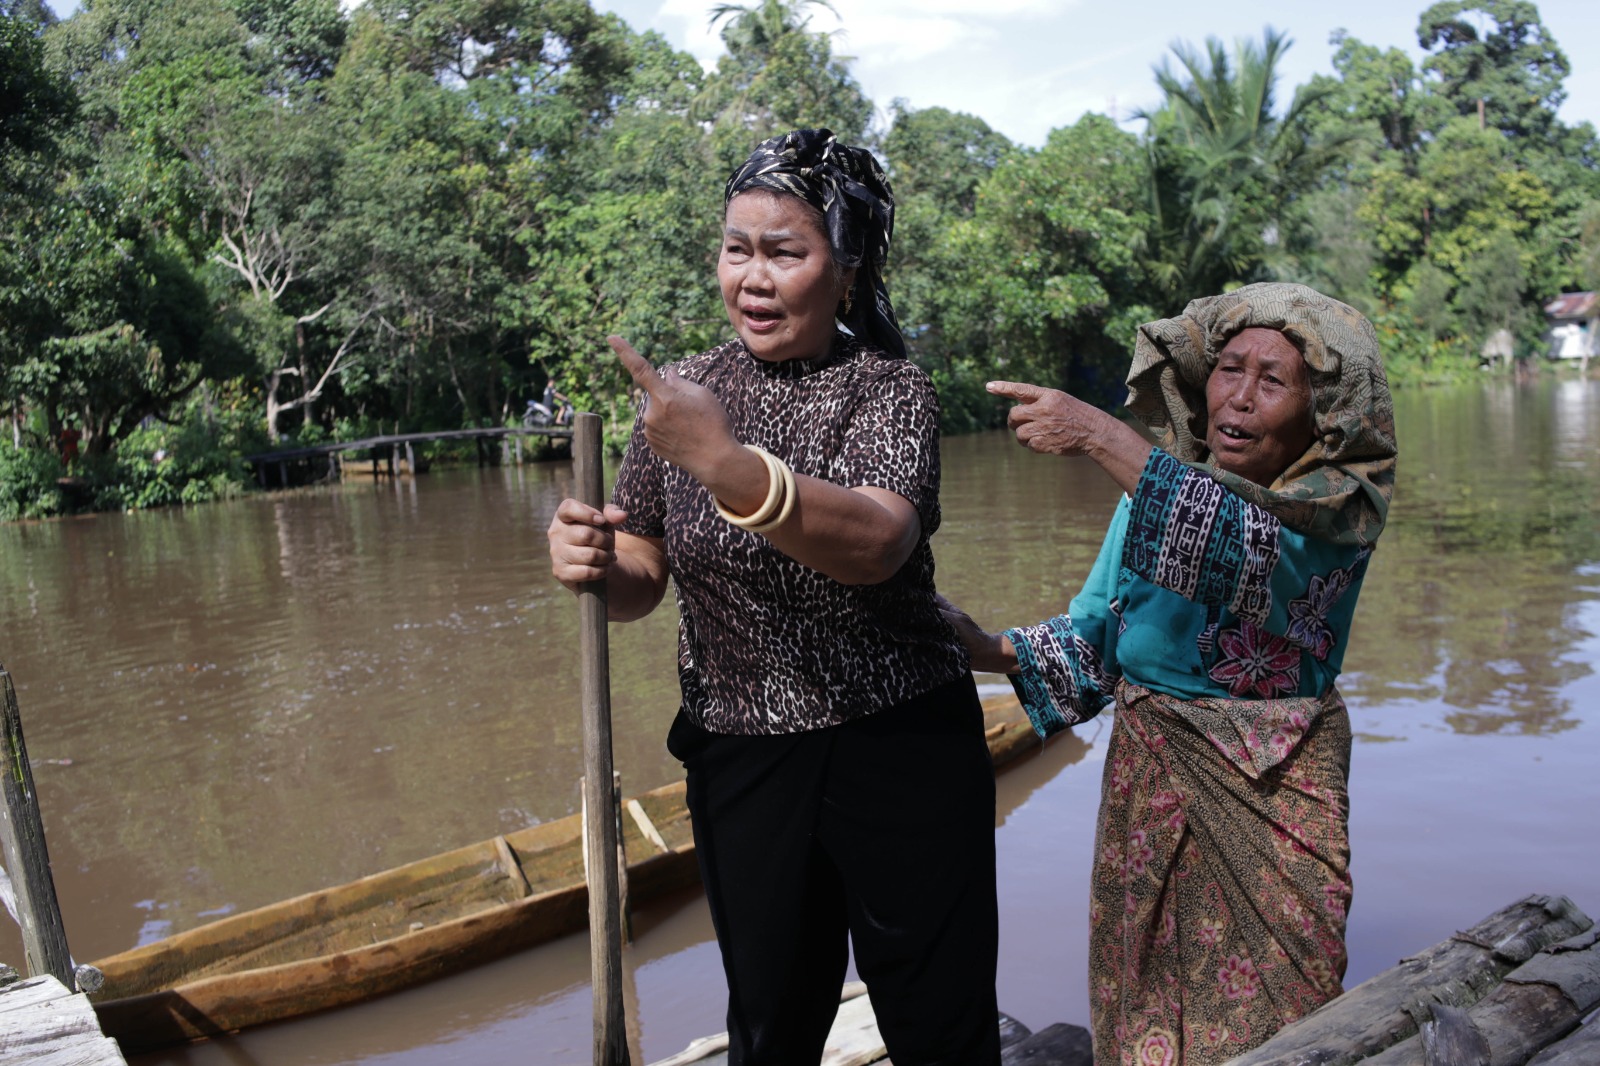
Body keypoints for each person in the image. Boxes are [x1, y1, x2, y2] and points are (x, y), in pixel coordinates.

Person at [547, 129, 999, 1066]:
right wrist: (593, 559)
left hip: (899, 744)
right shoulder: (683, 395)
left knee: (939, 1022)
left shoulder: (887, 390)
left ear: (849, 265)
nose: (752, 276)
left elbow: (876, 544)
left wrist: (725, 464)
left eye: (785, 252)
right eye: (736, 248)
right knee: (770, 1026)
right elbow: (643, 574)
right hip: (745, 754)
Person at [942, 282, 1397, 1066]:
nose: (1239, 399)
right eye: (1227, 369)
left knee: (1282, 1020)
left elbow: (1241, 548)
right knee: (1143, 1009)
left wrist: (1094, 431)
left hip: (1272, 788)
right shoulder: (1151, 498)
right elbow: (1094, 644)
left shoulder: (1333, 511)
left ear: (1322, 412)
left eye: (1272, 380)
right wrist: (976, 643)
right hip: (1147, 785)